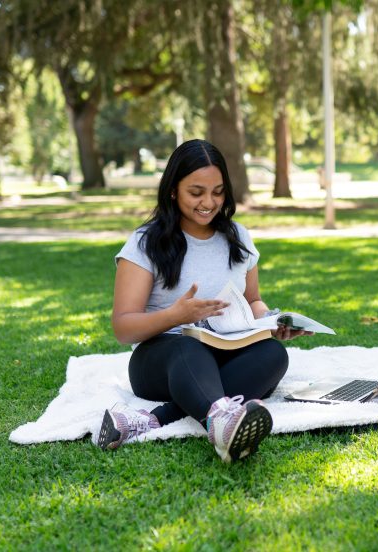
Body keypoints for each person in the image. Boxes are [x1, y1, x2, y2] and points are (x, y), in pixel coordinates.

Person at [98, 139, 311, 462]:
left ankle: (157, 419)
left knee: (272, 354)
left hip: (225, 350)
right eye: (196, 193)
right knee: (189, 346)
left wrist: (271, 322)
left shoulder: (238, 237)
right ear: (173, 190)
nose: (208, 202)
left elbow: (253, 300)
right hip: (163, 361)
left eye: (218, 191)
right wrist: (175, 315)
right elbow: (123, 327)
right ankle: (222, 422)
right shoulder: (146, 243)